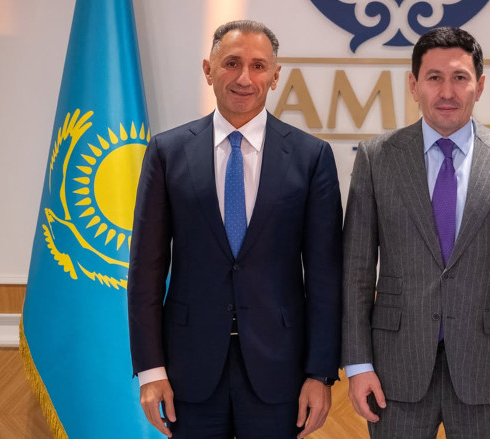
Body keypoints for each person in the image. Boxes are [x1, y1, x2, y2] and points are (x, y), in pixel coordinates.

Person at [127, 20, 342, 439]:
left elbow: (324, 276)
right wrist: (151, 370)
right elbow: (146, 272)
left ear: (275, 76)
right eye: (231, 63)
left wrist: (320, 373)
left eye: (258, 66)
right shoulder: (167, 152)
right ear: (208, 70)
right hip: (187, 371)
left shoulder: (311, 156)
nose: (245, 77)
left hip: (281, 371)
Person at [341, 26, 490, 439]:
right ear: (413, 85)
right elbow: (356, 271)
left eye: (460, 77)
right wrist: (358, 364)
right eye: (434, 77)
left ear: (480, 85)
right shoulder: (376, 157)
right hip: (395, 368)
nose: (447, 91)